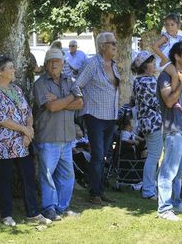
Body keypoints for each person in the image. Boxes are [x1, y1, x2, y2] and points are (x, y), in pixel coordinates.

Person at [0, 55, 51, 227]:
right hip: (4, 142)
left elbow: (27, 112)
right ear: (0, 71)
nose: (14, 70)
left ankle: (33, 213)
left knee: (28, 177)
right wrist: (24, 130)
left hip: (23, 142)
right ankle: (6, 214)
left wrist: (28, 132)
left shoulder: (17, 89)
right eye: (11, 67)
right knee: (5, 179)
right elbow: (1, 119)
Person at [33, 48, 83, 221]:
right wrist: (71, 97)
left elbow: (80, 103)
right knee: (47, 175)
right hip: (48, 137)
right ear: (46, 64)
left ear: (63, 63)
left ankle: (63, 206)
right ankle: (49, 208)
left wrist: (61, 100)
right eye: (51, 61)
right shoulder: (40, 83)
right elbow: (51, 107)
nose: (54, 64)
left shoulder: (70, 80)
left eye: (57, 61)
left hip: (67, 137)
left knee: (67, 175)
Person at [76, 32, 120, 205]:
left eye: (116, 43)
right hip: (94, 115)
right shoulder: (92, 64)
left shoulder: (114, 65)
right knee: (98, 155)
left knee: (104, 156)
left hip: (111, 116)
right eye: (112, 43)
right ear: (103, 46)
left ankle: (100, 191)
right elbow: (77, 84)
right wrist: (82, 102)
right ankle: (94, 192)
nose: (116, 46)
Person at [156, 41, 182, 221]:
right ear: (177, 57)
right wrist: (180, 83)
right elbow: (170, 102)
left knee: (179, 173)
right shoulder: (165, 76)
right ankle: (164, 209)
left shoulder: (181, 74)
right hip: (172, 130)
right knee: (168, 172)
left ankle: (176, 203)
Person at [131, 51, 162, 200]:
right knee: (153, 156)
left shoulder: (138, 80)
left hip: (145, 121)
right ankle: (149, 190)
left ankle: (150, 187)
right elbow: (156, 103)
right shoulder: (148, 82)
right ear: (145, 66)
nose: (154, 64)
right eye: (151, 62)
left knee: (152, 155)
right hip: (153, 122)